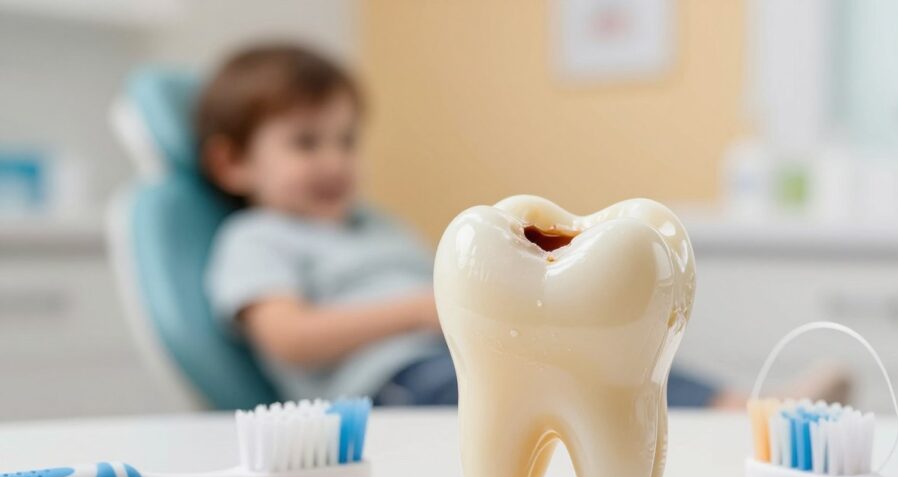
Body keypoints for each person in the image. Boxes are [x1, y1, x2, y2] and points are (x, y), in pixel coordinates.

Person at [201, 44, 848, 408]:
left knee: (597, 346)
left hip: (455, 349)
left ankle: (749, 405)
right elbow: (288, 338)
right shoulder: (255, 239)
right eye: (306, 143)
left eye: (346, 140)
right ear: (232, 162)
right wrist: (416, 311)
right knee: (546, 376)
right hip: (392, 384)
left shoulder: (381, 227)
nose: (334, 161)